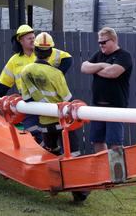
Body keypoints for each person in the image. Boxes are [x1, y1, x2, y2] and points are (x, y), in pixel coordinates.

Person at [19, 32, 88, 204]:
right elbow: (67, 100)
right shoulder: (56, 74)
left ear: (35, 50)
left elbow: (26, 98)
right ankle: (80, 192)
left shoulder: (25, 71)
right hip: (62, 123)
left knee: (50, 154)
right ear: (50, 52)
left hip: (44, 123)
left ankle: (52, 186)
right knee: (72, 155)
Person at [0, 25, 72, 142]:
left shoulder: (45, 50)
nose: (32, 40)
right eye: (29, 38)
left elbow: (67, 58)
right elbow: (3, 84)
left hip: (49, 104)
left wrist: (57, 74)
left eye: (33, 37)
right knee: (34, 134)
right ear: (20, 41)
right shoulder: (14, 61)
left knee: (55, 137)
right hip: (29, 103)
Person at [80, 27, 133, 153]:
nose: (101, 45)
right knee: (97, 140)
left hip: (115, 106)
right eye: (99, 42)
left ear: (113, 40)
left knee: (115, 143)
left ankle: (118, 172)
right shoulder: (99, 55)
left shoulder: (124, 55)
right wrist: (102, 65)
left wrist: (95, 69)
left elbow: (113, 72)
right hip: (97, 105)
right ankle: (102, 169)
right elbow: (84, 67)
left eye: (104, 42)